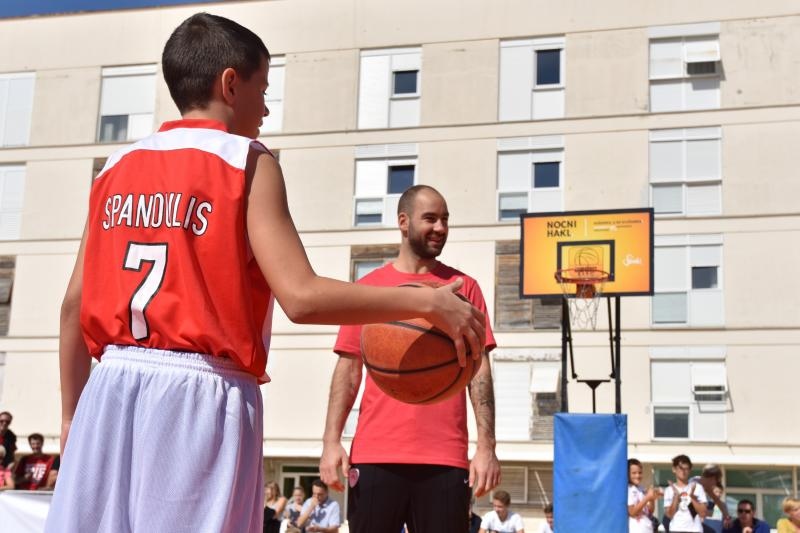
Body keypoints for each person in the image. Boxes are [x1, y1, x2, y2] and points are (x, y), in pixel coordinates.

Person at [45, 13, 485, 533]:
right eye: (263, 90)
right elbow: (301, 297)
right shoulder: (245, 160)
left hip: (109, 388)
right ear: (230, 84)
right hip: (198, 393)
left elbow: (74, 304)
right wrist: (424, 301)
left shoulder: (116, 166)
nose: (266, 108)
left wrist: (73, 415)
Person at [319, 185, 499, 533]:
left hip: (445, 457)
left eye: (445, 219)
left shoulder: (464, 289)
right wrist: (330, 442)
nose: (441, 227)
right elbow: (349, 368)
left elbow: (480, 372)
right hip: (375, 455)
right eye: (430, 218)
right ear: (403, 222)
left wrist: (486, 447)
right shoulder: (370, 289)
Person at [664, 455, 707, 533]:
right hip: (676, 529)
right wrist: (675, 498)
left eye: (686, 468)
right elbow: (669, 515)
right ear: (674, 469)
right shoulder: (669, 490)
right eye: (681, 468)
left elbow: (703, 513)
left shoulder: (697, 487)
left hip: (695, 530)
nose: (683, 471)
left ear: (690, 470)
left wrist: (692, 497)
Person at [690, 464, 732, 530]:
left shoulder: (703, 483)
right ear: (712, 479)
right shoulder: (695, 486)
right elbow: (702, 512)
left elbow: (716, 499)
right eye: (716, 482)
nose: (714, 485)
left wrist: (726, 515)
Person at [628, 458, 660, 533]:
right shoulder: (628, 489)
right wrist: (647, 497)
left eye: (640, 472)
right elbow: (632, 512)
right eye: (634, 473)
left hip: (647, 528)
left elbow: (650, 511)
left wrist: (652, 499)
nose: (638, 475)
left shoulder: (641, 488)